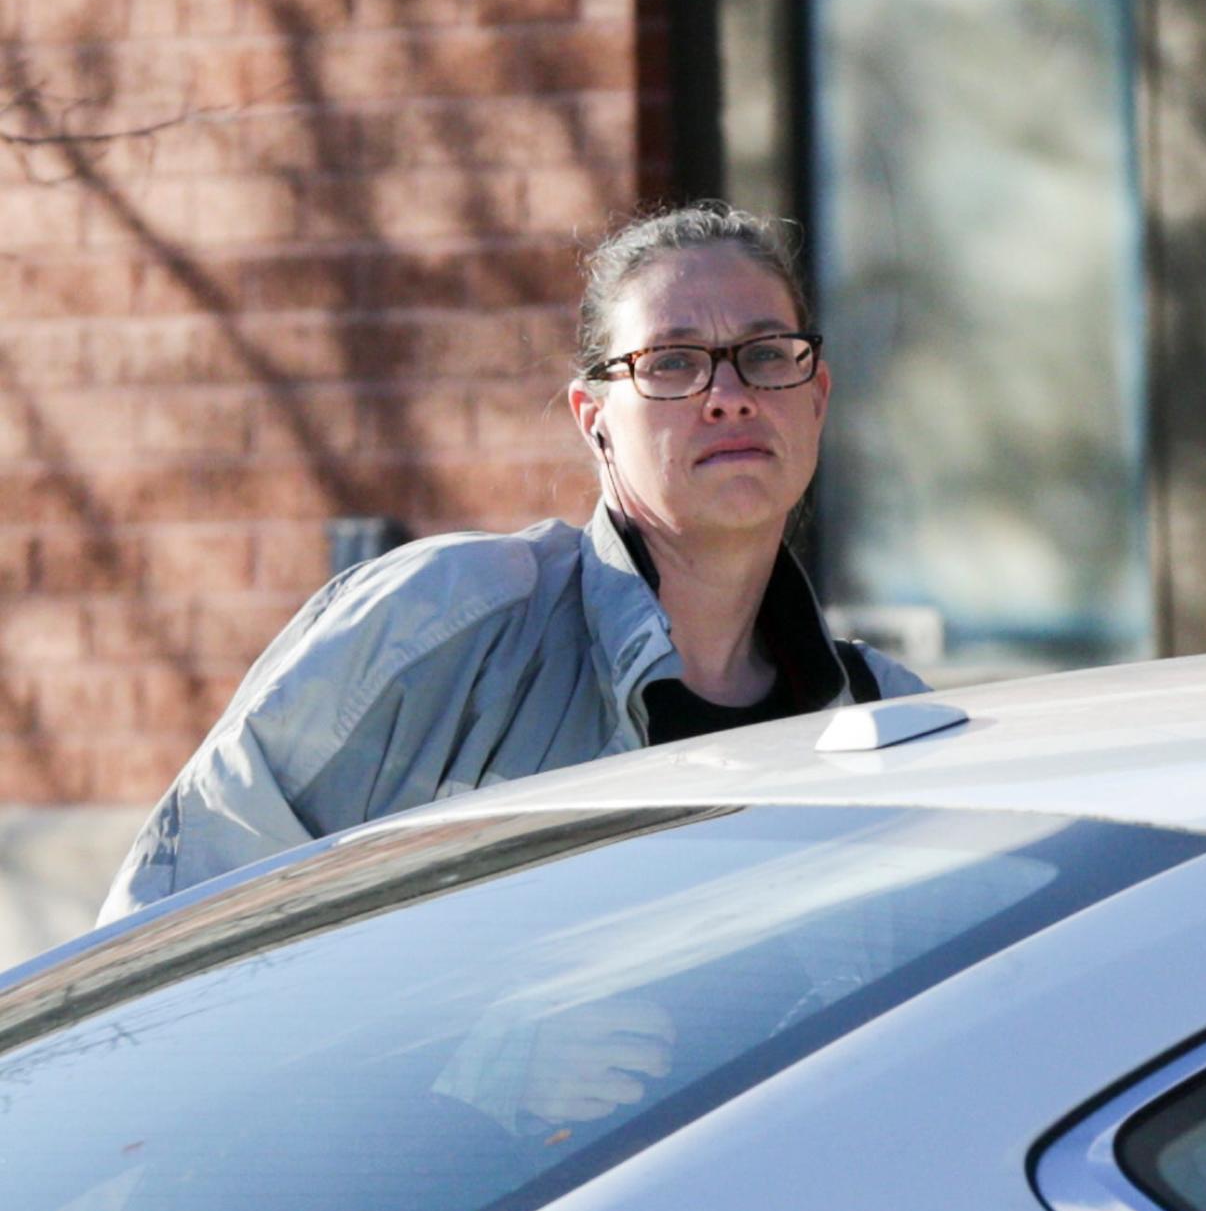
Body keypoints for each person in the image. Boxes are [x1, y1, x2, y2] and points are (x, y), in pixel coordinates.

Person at [99, 201, 928, 925]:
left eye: (767, 352)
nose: (729, 393)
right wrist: (474, 1066)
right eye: (671, 362)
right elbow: (172, 937)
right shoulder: (444, 626)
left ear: (815, 396)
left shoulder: (888, 725)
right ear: (593, 419)